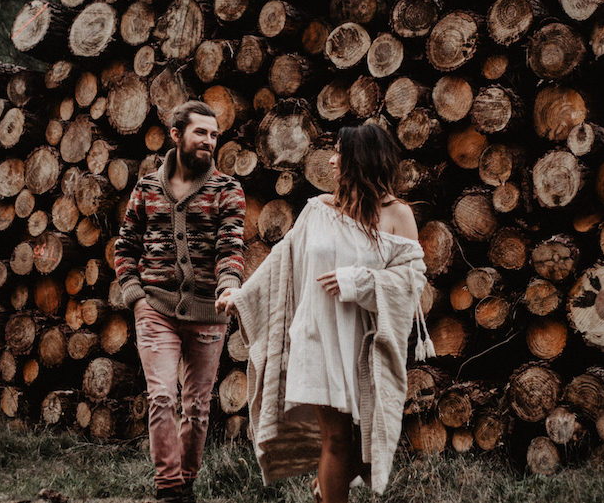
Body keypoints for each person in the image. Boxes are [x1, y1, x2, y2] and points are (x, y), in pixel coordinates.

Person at [216, 123, 432, 503]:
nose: (331, 161)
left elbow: (411, 282)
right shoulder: (317, 211)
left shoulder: (397, 215)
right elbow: (283, 258)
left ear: (360, 162)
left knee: (368, 445)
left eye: (340, 154)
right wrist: (241, 294)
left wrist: (360, 281)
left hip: (364, 344)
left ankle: (324, 488)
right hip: (316, 337)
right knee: (335, 438)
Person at [114, 100, 246, 503]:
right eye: (200, 132)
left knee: (198, 405)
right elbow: (125, 246)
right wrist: (135, 296)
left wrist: (228, 284)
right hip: (155, 307)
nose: (209, 141)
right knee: (161, 397)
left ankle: (186, 481)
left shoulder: (228, 189)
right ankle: (169, 489)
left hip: (210, 310)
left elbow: (231, 247)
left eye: (213, 134)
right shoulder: (147, 187)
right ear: (176, 135)